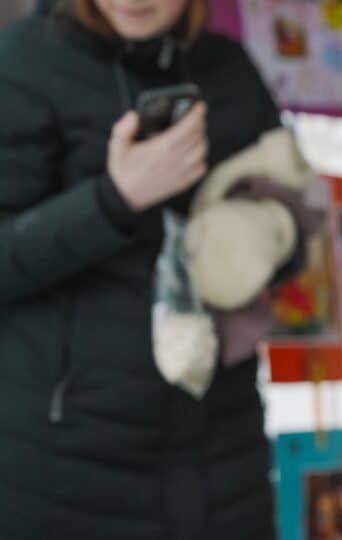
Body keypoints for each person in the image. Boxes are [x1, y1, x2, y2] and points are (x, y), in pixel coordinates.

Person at [0, 1, 289, 539]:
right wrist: (113, 201)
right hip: (63, 462)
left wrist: (267, 234)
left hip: (222, 449)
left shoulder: (227, 67)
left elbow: (293, 212)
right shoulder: (22, 62)